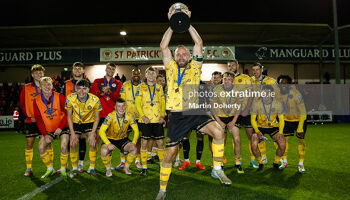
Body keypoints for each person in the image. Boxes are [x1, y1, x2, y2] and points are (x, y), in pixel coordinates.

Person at [156, 9, 231, 200]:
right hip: (177, 115)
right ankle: (162, 189)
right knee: (170, 154)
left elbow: (199, 42)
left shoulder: (195, 66)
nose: (181, 56)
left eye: (184, 54)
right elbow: (163, 46)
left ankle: (216, 169)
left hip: (195, 110)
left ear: (189, 56)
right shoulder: (170, 67)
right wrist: (173, 23)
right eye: (178, 54)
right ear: (175, 56)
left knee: (219, 131)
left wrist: (186, 22)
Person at [33, 77, 70, 177]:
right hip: (48, 129)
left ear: (52, 86)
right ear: (40, 87)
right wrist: (45, 134)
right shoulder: (36, 100)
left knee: (63, 145)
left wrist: (60, 127)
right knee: (41, 147)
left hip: (62, 126)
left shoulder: (60, 96)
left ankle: (63, 168)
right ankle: (50, 168)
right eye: (44, 85)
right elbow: (38, 119)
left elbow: (68, 113)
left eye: (49, 84)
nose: (47, 86)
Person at [65, 79, 102, 177]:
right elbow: (68, 116)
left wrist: (93, 134)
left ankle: (92, 168)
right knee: (73, 143)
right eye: (79, 89)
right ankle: (74, 169)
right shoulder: (70, 98)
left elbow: (97, 117)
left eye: (84, 89)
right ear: (75, 89)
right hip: (76, 122)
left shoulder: (95, 99)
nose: (81, 91)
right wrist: (72, 134)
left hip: (90, 122)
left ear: (88, 89)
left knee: (93, 142)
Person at [227, 59, 259, 168]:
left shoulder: (246, 78)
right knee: (236, 138)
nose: (231, 67)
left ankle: (252, 159)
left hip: (246, 111)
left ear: (237, 65)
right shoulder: (226, 79)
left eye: (233, 65)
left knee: (251, 136)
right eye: (229, 66)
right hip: (233, 112)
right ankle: (238, 161)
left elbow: (251, 95)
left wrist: (247, 109)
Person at [211, 72, 244, 173]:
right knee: (221, 141)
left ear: (233, 81)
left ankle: (238, 162)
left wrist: (233, 121)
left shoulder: (238, 90)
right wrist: (219, 121)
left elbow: (239, 107)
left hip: (233, 117)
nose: (227, 81)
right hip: (220, 117)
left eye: (229, 79)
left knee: (237, 139)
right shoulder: (216, 89)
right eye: (225, 79)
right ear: (222, 79)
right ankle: (219, 163)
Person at [136, 67, 166, 176]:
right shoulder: (140, 87)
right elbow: (137, 103)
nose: (151, 76)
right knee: (144, 143)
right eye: (149, 74)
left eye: (153, 74)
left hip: (157, 120)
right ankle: (144, 167)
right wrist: (143, 116)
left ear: (155, 75)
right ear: (146, 75)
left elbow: (163, 102)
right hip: (145, 120)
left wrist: (162, 116)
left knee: (160, 143)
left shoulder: (159, 87)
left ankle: (162, 166)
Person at [90, 62, 123, 164]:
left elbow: (118, 98)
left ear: (114, 71)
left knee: (109, 141)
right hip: (99, 115)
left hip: (112, 116)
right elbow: (92, 96)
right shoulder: (97, 81)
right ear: (106, 69)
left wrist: (110, 93)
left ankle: (108, 165)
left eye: (113, 69)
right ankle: (92, 166)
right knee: (96, 139)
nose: (111, 71)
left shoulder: (118, 83)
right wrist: (102, 92)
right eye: (109, 69)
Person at [99, 98, 140, 177]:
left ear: (126, 106)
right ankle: (108, 169)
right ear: (115, 107)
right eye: (119, 106)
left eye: (123, 106)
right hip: (110, 139)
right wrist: (108, 143)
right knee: (103, 151)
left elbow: (136, 131)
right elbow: (101, 131)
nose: (121, 108)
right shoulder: (110, 116)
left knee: (134, 148)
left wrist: (133, 143)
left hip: (122, 139)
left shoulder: (130, 116)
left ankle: (126, 167)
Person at [250, 85, 286, 171]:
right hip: (260, 127)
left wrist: (280, 132)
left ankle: (276, 162)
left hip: (273, 127)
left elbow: (281, 120)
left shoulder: (278, 104)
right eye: (264, 92)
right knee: (254, 145)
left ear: (272, 94)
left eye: (268, 92)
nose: (266, 94)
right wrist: (257, 131)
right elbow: (252, 119)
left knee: (282, 144)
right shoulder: (256, 104)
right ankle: (260, 162)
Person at [61, 62, 88, 173]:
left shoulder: (87, 83)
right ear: (72, 70)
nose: (77, 70)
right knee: (67, 140)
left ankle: (80, 164)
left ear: (83, 71)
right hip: (69, 117)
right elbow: (61, 101)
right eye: (75, 68)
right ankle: (66, 164)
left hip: (83, 118)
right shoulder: (66, 84)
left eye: (79, 68)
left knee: (81, 139)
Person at [19, 64, 46, 177]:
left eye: (40, 72)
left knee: (47, 143)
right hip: (32, 120)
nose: (38, 74)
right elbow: (22, 103)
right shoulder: (26, 88)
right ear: (32, 75)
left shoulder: (47, 86)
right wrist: (28, 115)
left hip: (45, 121)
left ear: (43, 74)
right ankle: (29, 168)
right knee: (29, 143)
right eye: (36, 73)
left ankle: (49, 167)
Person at [277, 75, 307, 173]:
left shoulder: (296, 94)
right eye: (281, 83)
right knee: (283, 142)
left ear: (289, 84)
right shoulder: (277, 95)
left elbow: (303, 112)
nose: (283, 85)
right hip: (286, 121)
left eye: (285, 83)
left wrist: (300, 127)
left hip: (299, 121)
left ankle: (301, 164)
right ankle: (284, 162)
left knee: (301, 142)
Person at [250, 62, 278, 165]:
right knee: (257, 135)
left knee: (277, 137)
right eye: (253, 70)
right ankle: (263, 156)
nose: (255, 72)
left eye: (257, 69)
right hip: (256, 111)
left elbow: (277, 94)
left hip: (270, 110)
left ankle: (282, 158)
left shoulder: (271, 81)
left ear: (262, 70)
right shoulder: (250, 80)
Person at [117, 68, 142, 170]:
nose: (136, 75)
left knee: (139, 139)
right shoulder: (125, 85)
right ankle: (122, 161)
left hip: (140, 117)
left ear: (140, 75)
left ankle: (137, 161)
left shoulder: (143, 86)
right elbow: (122, 100)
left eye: (138, 74)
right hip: (127, 116)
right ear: (131, 74)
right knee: (123, 138)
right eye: (134, 74)